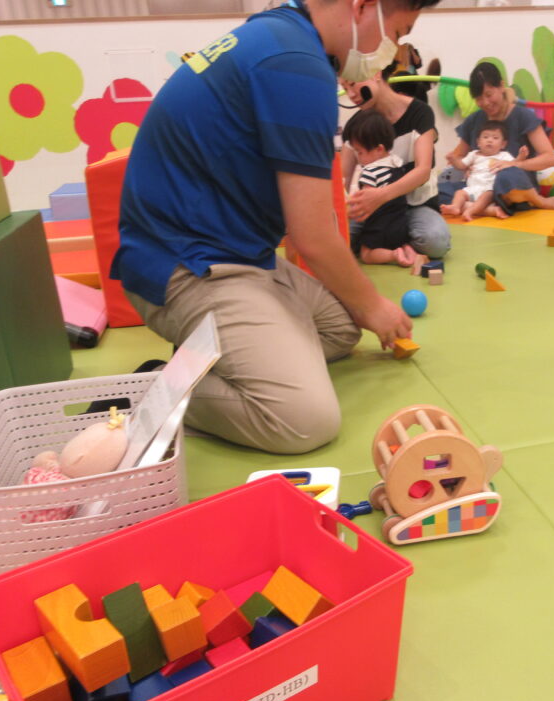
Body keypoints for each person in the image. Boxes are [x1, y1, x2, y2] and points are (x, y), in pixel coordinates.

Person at [112, 0, 439, 456]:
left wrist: (360, 306)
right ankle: (153, 387)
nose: (393, 49)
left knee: (341, 329)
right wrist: (374, 304)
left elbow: (309, 210)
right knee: (304, 418)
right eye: (398, 31)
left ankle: (239, 355)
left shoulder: (282, 34)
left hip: (238, 255)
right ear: (363, 7)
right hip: (187, 266)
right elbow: (310, 236)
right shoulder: (295, 64)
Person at [341, 61, 451, 275]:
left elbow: (423, 170)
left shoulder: (419, 113)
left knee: (436, 241)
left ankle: (388, 242)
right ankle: (391, 243)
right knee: (337, 240)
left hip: (413, 205)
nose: (351, 94)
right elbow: (341, 181)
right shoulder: (356, 126)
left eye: (353, 84)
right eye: (345, 89)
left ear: (376, 73)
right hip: (375, 212)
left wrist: (381, 195)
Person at [442, 62, 554, 218]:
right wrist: (464, 165)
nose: (485, 103)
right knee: (436, 193)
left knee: (508, 175)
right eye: (479, 98)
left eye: (489, 95)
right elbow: (458, 156)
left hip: (511, 187)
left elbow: (550, 157)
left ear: (501, 86)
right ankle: (486, 209)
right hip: (478, 186)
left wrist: (516, 163)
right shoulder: (474, 120)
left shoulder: (523, 116)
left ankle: (539, 201)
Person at [342, 109, 420, 266]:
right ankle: (405, 247)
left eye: (360, 152)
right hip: (400, 223)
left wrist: (346, 208)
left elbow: (364, 202)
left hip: (380, 225)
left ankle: (394, 255)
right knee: (394, 241)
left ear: (379, 149)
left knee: (366, 254)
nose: (358, 157)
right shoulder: (396, 162)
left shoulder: (371, 171)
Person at [440, 121, 520, 220]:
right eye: (485, 137)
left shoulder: (504, 155)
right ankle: (455, 207)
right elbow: (461, 165)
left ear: (503, 144)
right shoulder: (474, 154)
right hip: (472, 188)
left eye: (495, 138)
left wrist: (521, 157)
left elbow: (515, 165)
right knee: (459, 193)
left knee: (487, 195)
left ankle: (470, 211)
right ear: (478, 142)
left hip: (489, 189)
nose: (489, 140)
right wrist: (453, 159)